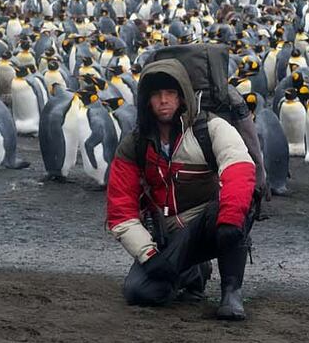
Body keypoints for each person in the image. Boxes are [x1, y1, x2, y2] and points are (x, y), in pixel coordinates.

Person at [105, 57, 257, 320]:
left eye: (170, 93)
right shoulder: (135, 144)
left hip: (209, 225)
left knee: (237, 204)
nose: (163, 100)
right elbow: (120, 211)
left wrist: (230, 219)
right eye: (156, 94)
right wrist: (149, 255)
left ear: (183, 96)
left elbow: (239, 168)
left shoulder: (209, 129)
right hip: (169, 236)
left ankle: (231, 292)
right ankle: (191, 271)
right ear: (146, 101)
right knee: (139, 292)